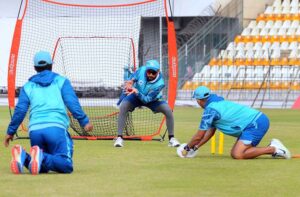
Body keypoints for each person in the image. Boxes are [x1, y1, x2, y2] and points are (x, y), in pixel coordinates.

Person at [4, 51, 93, 175]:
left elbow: (20, 110)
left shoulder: (28, 86)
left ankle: (23, 156)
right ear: (51, 65)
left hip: (35, 130)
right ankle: (41, 156)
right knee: (66, 165)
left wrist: (10, 131)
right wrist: (84, 121)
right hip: (56, 128)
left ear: (35, 68)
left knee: (41, 167)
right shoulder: (61, 81)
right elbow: (72, 103)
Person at [177, 86, 291, 159]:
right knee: (236, 153)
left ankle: (274, 149)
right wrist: (195, 148)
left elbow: (199, 136)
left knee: (238, 154)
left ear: (198, 100)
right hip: (255, 122)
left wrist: (186, 148)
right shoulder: (215, 103)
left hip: (255, 124)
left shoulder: (210, 110)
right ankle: (274, 149)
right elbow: (209, 133)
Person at [114, 59, 180, 147]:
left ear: (158, 71)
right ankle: (119, 138)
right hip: (135, 96)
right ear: (146, 70)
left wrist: (137, 92)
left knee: (168, 110)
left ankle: (172, 139)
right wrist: (131, 81)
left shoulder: (160, 84)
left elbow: (147, 99)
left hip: (152, 100)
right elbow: (134, 77)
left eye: (153, 73)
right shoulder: (141, 70)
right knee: (123, 107)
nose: (151, 75)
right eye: (149, 72)